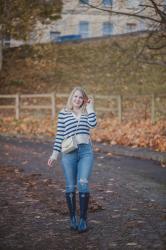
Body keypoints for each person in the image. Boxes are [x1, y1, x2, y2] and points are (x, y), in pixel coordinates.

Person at [48, 86, 97, 233]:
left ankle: (83, 219)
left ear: (84, 100)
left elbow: (94, 124)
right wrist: (54, 155)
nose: (77, 99)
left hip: (85, 152)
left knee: (83, 182)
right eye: (75, 96)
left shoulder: (87, 112)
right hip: (68, 153)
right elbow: (59, 135)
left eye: (80, 97)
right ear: (71, 97)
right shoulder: (64, 113)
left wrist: (91, 108)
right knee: (70, 186)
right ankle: (72, 218)